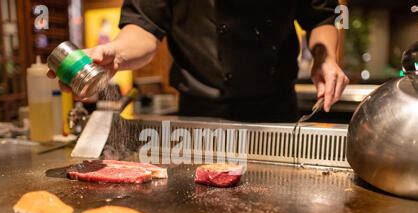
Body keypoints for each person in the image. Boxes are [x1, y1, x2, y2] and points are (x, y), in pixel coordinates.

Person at [49, 0, 349, 122]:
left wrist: (325, 57)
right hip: (200, 114)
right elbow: (143, 28)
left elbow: (323, 15)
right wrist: (116, 53)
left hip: (276, 112)